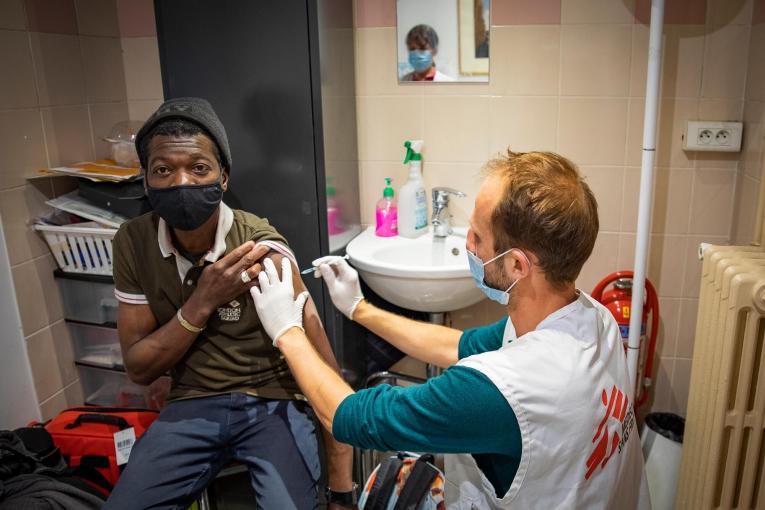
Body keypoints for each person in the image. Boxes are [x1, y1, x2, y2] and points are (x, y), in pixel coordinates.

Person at [250, 150, 651, 509]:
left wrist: (287, 330)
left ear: (517, 266)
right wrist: (360, 308)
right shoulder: (592, 318)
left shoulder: (499, 392)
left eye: (477, 235)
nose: (468, 245)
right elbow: (458, 344)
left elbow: (348, 416)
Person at [104, 97, 354, 509]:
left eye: (199, 168)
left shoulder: (261, 250)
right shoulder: (133, 241)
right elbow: (139, 367)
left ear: (223, 178)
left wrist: (342, 488)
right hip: (192, 401)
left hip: (272, 399)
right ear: (145, 180)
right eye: (164, 170)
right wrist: (202, 301)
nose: (182, 183)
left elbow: (324, 368)